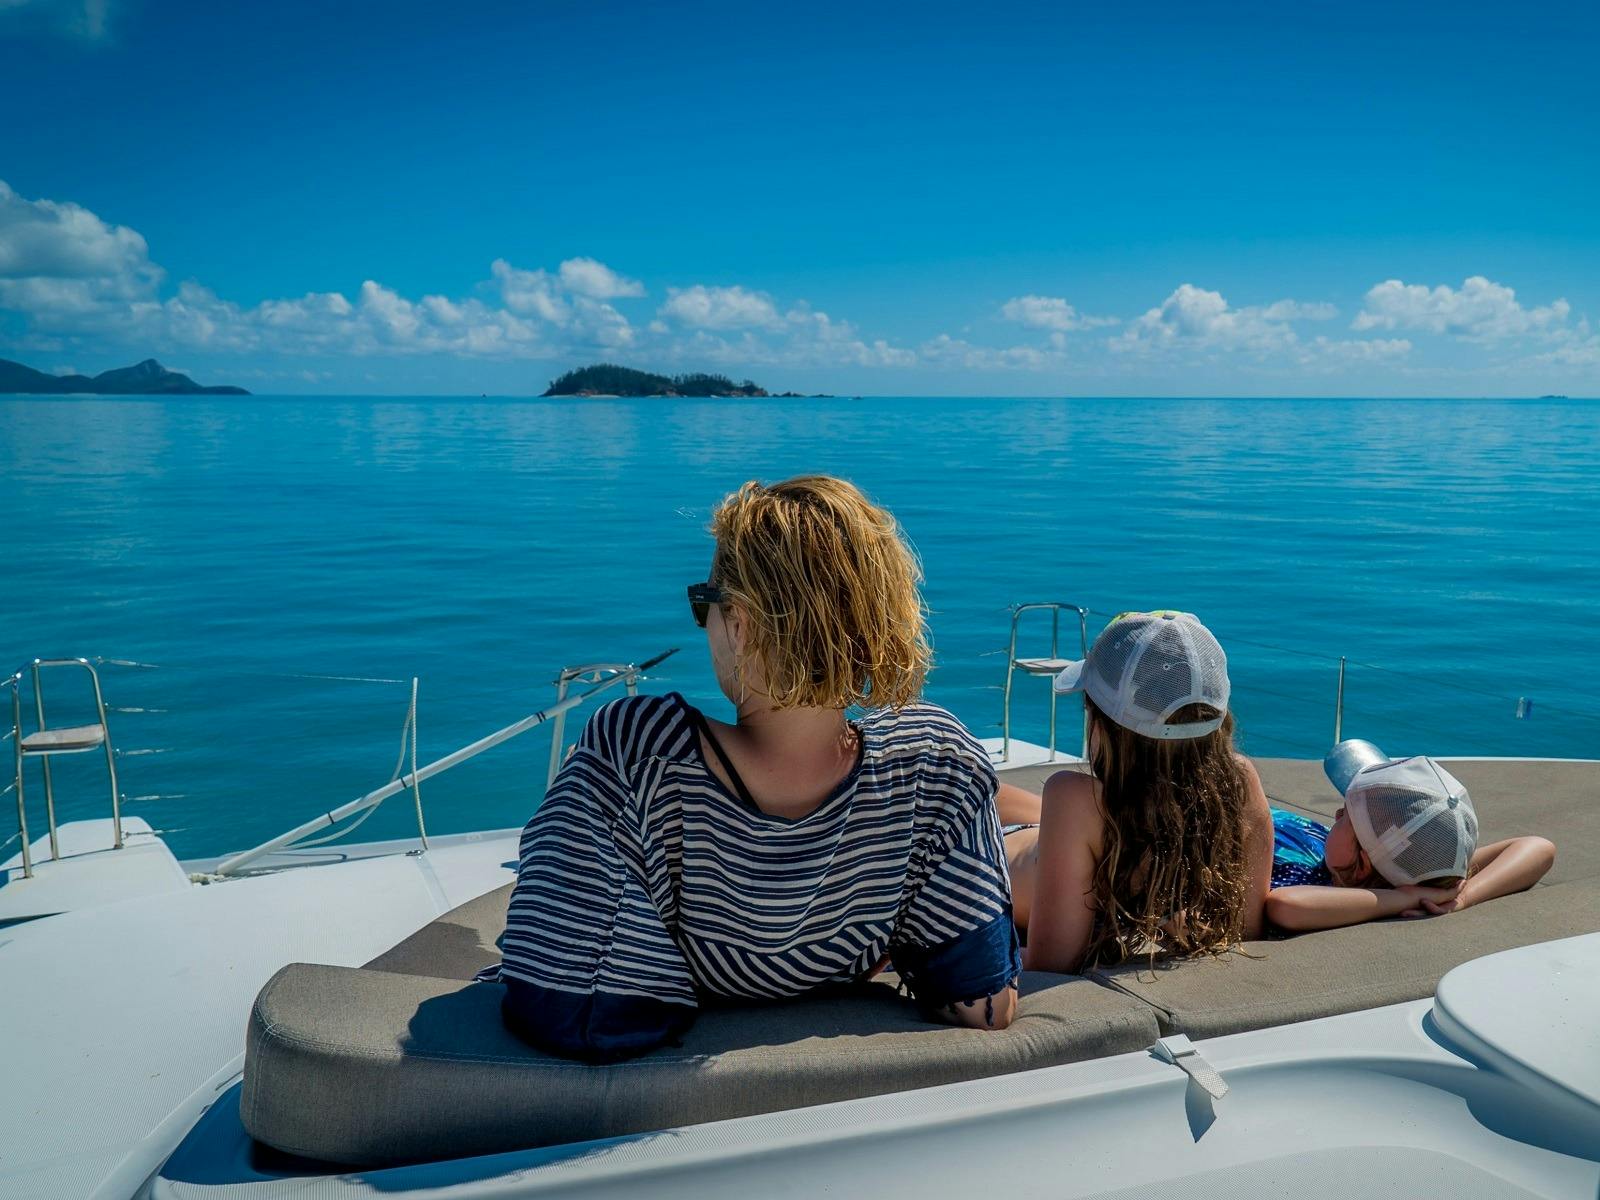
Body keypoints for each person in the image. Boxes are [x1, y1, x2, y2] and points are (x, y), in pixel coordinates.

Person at [484, 475, 1021, 1062]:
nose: (704, 625)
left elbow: (574, 1002)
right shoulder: (934, 767)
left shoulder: (639, 757)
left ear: (739, 624)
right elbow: (983, 1006)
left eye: (704, 606)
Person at [1007, 611, 1274, 974]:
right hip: (1047, 837)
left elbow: (1051, 963)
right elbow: (1246, 929)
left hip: (997, 850)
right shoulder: (1240, 783)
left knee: (981, 794)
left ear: (1102, 725)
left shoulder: (1075, 799)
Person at [1266, 753, 1555, 931]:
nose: (1337, 813)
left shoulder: (1315, 891)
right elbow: (1538, 847)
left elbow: (1284, 906)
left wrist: (1405, 899)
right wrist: (1463, 898)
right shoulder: (1425, 878)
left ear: (1364, 863)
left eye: (1346, 818)